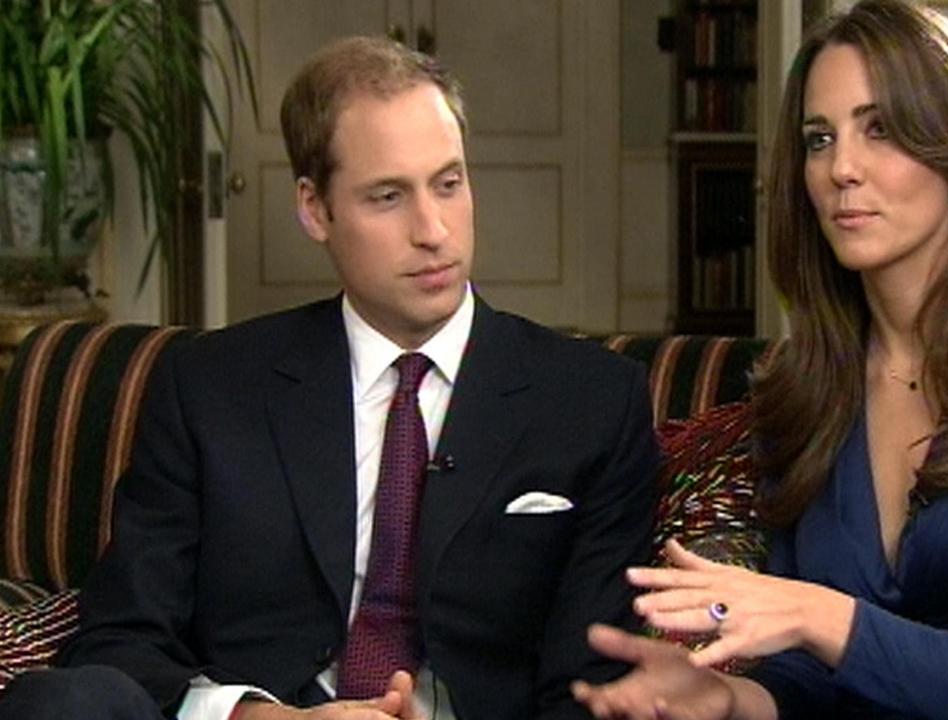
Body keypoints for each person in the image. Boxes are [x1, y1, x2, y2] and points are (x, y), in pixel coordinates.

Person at [0, 36, 658, 720]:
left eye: (448, 183)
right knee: (63, 702)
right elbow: (122, 639)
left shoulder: (592, 401)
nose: (433, 230)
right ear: (315, 210)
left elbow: (591, 688)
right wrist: (254, 716)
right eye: (386, 196)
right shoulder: (208, 385)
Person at [572, 2, 948, 719]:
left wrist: (819, 615)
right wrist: (726, 698)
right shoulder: (801, 391)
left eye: (881, 129)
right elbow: (810, 682)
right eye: (817, 138)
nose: (841, 168)